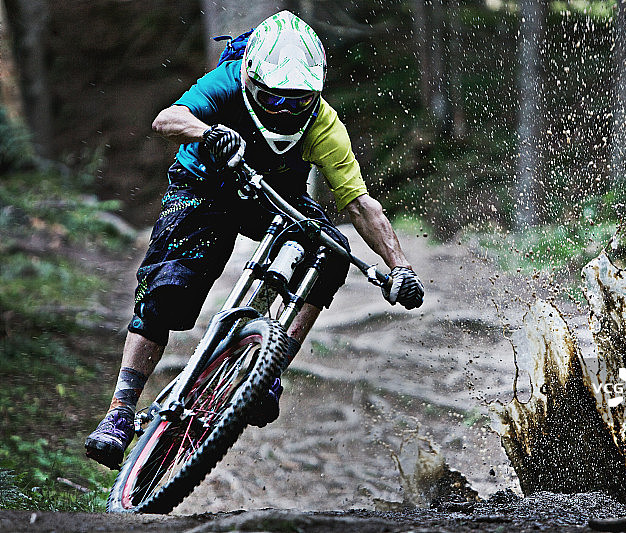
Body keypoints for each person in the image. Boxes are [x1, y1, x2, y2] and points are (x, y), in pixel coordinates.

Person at [85, 11, 424, 470]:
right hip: (202, 186)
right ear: (250, 80)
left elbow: (360, 205)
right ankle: (119, 413)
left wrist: (400, 266)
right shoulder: (226, 82)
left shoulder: (323, 122)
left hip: (273, 196)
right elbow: (168, 119)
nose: (284, 111)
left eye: (297, 102)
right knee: (167, 290)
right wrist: (209, 132)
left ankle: (270, 365)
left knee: (329, 254)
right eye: (273, 100)